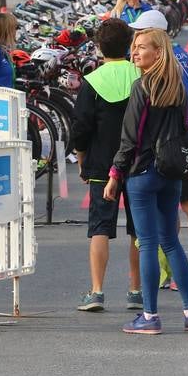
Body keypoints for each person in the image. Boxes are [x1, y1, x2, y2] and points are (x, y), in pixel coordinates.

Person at [104, 28, 188, 336]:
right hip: (171, 173)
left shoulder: (142, 87)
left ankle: (150, 315)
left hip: (142, 172)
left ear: (157, 53)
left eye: (141, 48)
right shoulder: (178, 87)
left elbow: (129, 138)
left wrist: (115, 175)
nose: (134, 52)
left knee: (146, 243)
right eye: (134, 47)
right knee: (171, 242)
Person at [131, 10, 188, 290]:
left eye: (140, 35)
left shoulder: (160, 63)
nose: (135, 42)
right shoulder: (183, 54)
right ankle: (181, 269)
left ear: (155, 37)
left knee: (187, 201)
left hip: (173, 139)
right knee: (179, 201)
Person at [69, 19, 142, 312]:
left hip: (101, 164)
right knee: (139, 230)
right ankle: (136, 289)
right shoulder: (140, 76)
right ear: (129, 46)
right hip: (138, 163)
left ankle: (97, 291)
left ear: (99, 48)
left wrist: (82, 158)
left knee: (99, 227)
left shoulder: (92, 82)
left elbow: (81, 127)